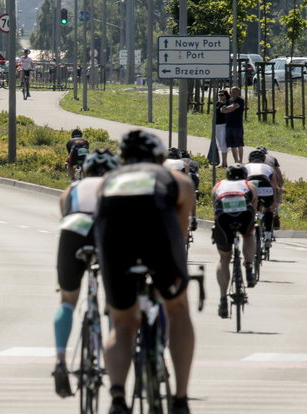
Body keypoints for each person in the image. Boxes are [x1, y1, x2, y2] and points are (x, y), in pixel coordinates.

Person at [94, 130, 196, 414]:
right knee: (178, 309)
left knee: (122, 323)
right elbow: (180, 234)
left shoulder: (107, 182)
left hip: (115, 246)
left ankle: (117, 398)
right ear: (161, 157)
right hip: (159, 240)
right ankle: (180, 398)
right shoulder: (177, 180)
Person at [52, 149, 120, 398]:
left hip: (75, 229)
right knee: (117, 303)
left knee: (68, 299)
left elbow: (65, 214)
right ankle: (115, 357)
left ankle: (60, 360)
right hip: (108, 230)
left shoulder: (73, 189)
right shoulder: (118, 186)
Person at [212, 164, 259, 319]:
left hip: (223, 217)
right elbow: (254, 206)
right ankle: (248, 268)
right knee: (248, 235)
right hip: (244, 214)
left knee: (224, 258)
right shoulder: (249, 185)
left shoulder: (218, 185)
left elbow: (215, 209)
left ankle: (222, 300)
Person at [245, 150, 279, 241]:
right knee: (268, 209)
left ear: (249, 160)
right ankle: (268, 234)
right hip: (265, 187)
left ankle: (250, 228)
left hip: (251, 186)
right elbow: (274, 188)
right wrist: (273, 204)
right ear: (263, 160)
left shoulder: (245, 167)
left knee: (251, 208)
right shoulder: (270, 168)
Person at [256, 145, 284, 229]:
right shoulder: (272, 158)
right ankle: (276, 215)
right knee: (274, 198)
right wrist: (280, 186)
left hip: (257, 183)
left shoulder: (253, 160)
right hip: (271, 180)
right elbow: (278, 173)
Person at [219, 87, 246, 164]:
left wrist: (226, 109)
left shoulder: (240, 100)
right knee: (232, 145)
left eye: (234, 92)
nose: (232, 94)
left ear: (239, 93)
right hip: (229, 125)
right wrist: (227, 109)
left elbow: (233, 107)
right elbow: (222, 110)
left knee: (239, 144)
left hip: (237, 125)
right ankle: (236, 161)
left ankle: (241, 161)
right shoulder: (229, 100)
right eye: (231, 92)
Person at [214, 90, 230, 168]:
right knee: (219, 143)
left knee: (223, 143)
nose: (220, 96)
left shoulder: (228, 103)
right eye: (219, 95)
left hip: (224, 124)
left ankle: (224, 163)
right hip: (216, 125)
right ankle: (223, 162)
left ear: (226, 95)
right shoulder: (218, 103)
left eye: (222, 95)